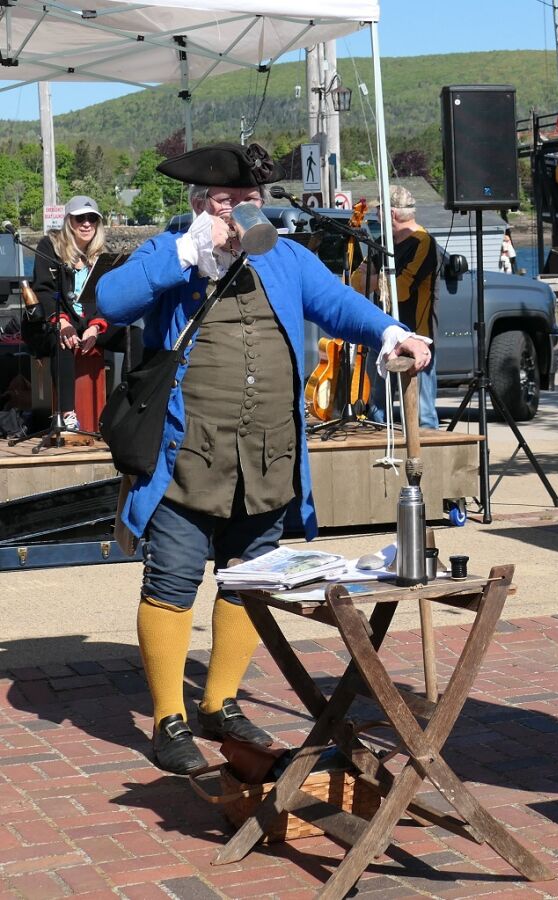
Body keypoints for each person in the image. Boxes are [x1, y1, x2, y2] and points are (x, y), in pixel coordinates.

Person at [97, 142, 431, 775]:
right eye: (227, 203)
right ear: (200, 206)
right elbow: (111, 303)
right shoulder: (172, 252)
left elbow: (338, 305)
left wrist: (392, 332)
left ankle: (220, 703)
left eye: (249, 202)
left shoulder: (286, 257)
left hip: (268, 455)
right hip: (185, 454)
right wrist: (186, 253)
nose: (243, 213)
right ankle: (169, 715)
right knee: (170, 581)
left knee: (248, 579)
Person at [30, 196, 134, 430]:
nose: (86, 224)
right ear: (69, 221)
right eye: (80, 219)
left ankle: (129, 405)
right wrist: (62, 322)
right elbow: (43, 291)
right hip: (58, 320)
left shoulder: (103, 256)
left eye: (92, 219)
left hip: (91, 322)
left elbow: (106, 297)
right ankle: (68, 416)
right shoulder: (50, 246)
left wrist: (96, 326)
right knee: (65, 340)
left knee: (134, 335)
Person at [371, 185, 440, 430]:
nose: (375, 216)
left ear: (390, 213)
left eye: (378, 211)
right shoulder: (381, 242)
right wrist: (379, 281)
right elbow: (359, 280)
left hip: (416, 333)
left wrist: (376, 280)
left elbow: (401, 289)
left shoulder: (423, 242)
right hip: (382, 332)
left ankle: (430, 451)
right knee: (378, 407)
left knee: (424, 413)